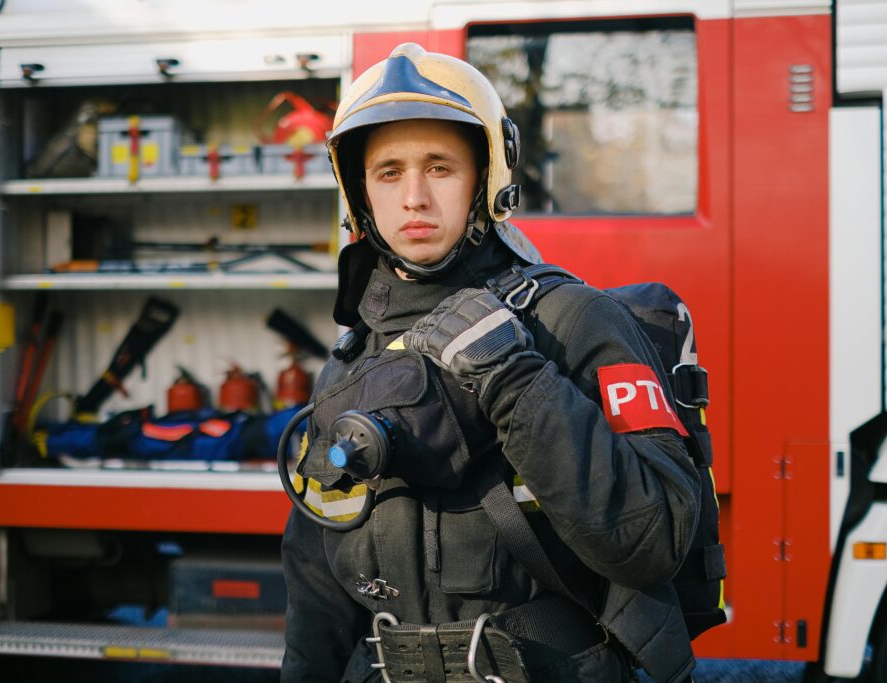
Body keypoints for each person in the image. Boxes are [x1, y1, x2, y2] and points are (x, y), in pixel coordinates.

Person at [281, 42, 701, 683]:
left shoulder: (571, 322)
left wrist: (514, 377)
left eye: (440, 167)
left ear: (488, 176)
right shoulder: (351, 365)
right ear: (359, 190)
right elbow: (315, 592)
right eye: (388, 172)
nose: (413, 197)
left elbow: (652, 543)